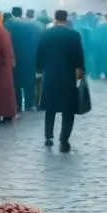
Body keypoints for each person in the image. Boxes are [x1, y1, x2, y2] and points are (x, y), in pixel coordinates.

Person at [36, 10, 85, 152]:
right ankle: (64, 138)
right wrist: (80, 73)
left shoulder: (46, 34)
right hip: (67, 75)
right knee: (68, 108)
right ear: (66, 18)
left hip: (50, 74)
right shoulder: (74, 35)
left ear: (55, 18)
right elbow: (79, 56)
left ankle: (48, 136)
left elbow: (40, 53)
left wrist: (39, 70)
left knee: (50, 108)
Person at [6, 6, 41, 112]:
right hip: (30, 57)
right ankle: (29, 103)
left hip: (15, 57)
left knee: (16, 82)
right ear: (22, 13)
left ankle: (17, 104)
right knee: (29, 81)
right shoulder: (33, 26)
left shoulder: (8, 25)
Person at [91, 14, 107, 80]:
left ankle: (98, 73)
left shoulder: (98, 27)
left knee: (99, 60)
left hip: (99, 47)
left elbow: (95, 37)